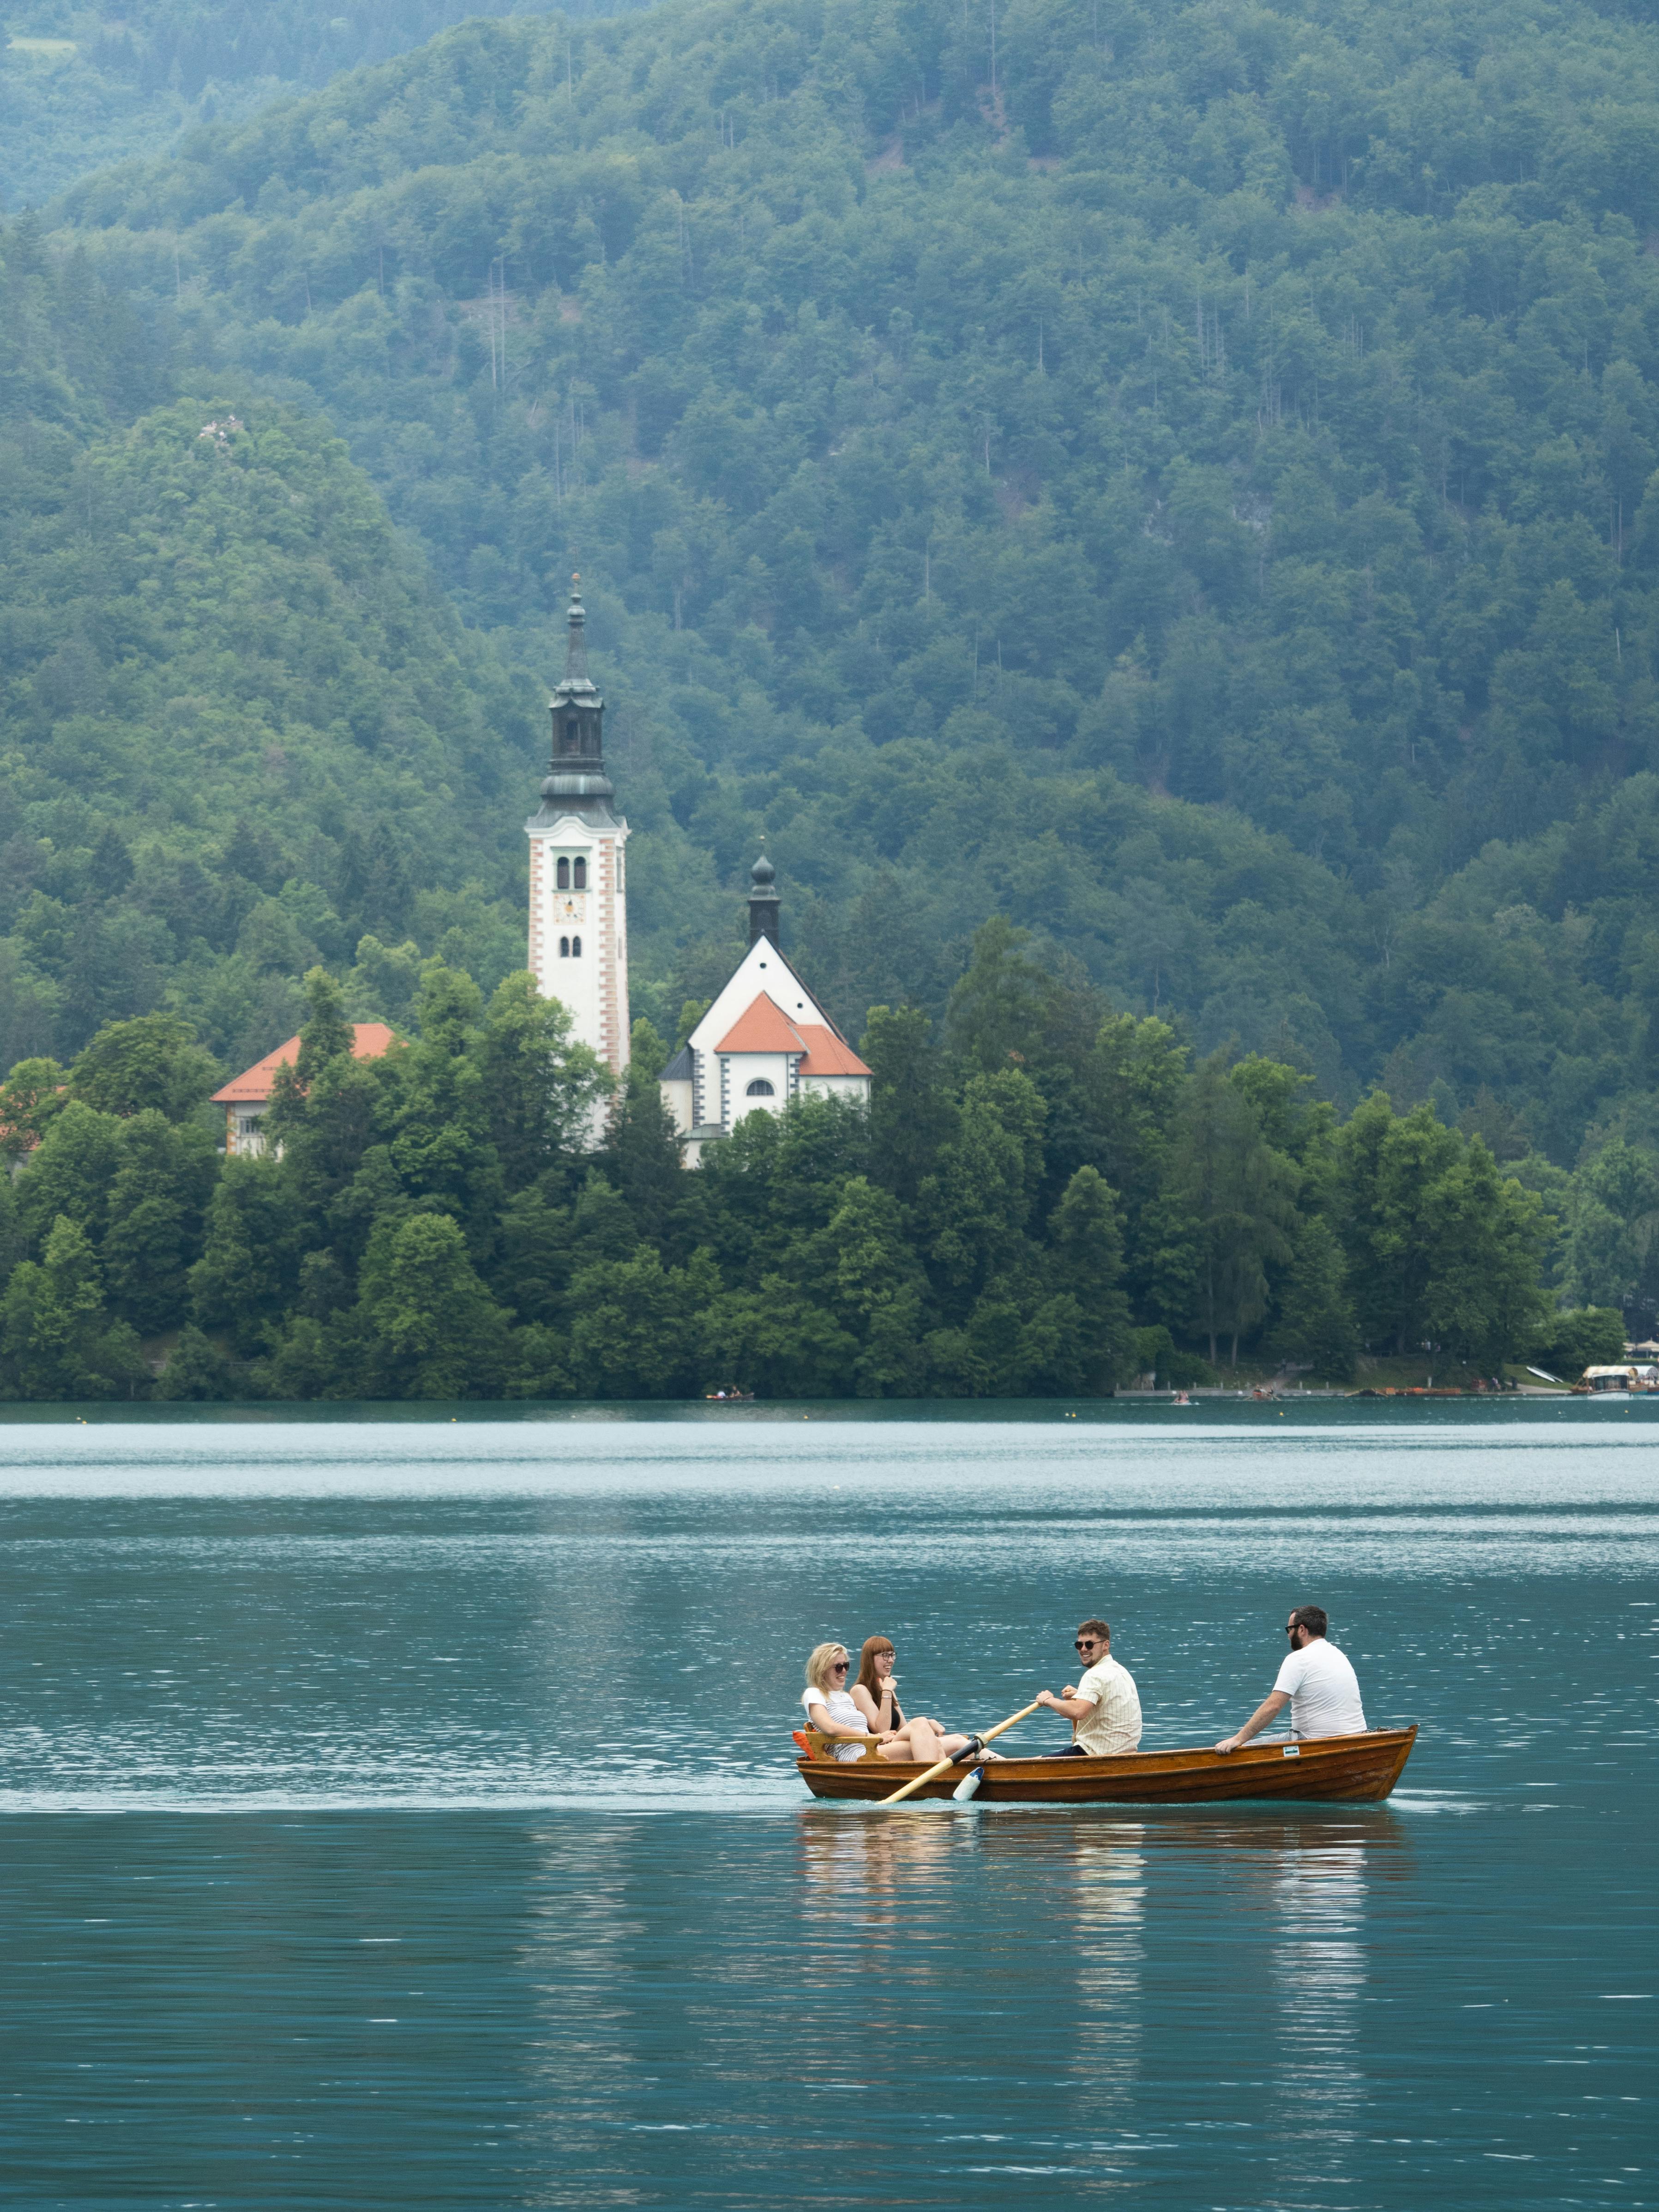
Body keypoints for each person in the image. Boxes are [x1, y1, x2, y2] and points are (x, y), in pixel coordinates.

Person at [1215, 1605, 1366, 1752]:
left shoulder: (1299, 1659)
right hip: (1356, 1739)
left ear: (1301, 1629)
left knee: (1239, 1751)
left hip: (1312, 1742)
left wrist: (1238, 1739)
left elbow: (1273, 1707)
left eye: (1289, 1629)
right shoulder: (1339, 1655)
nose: (1288, 1635)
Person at [800, 1642, 977, 1766]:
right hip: (855, 1756)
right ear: (822, 1670)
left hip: (873, 1748)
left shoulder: (846, 1697)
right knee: (932, 1741)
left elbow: (889, 1727)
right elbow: (830, 1728)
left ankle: (996, 1766)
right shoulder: (814, 1693)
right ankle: (935, 1781)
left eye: (846, 1666)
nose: (844, 1671)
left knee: (922, 1724)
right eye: (838, 1667)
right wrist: (872, 1738)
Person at [1034, 1619, 1143, 1757]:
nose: (1084, 1649)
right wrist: (1080, 1695)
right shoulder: (1121, 1672)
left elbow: (1078, 1712)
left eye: (1090, 1644)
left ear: (1106, 1645)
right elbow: (1107, 1704)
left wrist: (1048, 1700)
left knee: (1024, 1768)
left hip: (1093, 1754)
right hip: (1124, 1754)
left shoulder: (1094, 1675)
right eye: (1080, 1645)